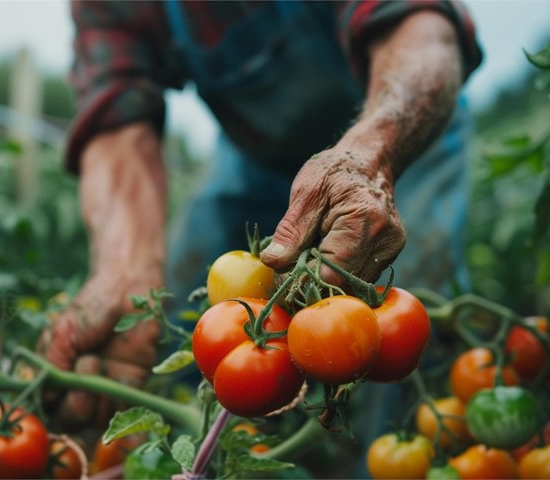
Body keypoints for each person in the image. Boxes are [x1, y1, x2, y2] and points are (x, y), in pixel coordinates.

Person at [38, 0, 482, 474]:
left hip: (403, 128)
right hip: (256, 157)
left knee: (407, 324)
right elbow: (117, 120)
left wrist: (370, 160)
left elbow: (421, 26)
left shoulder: (391, 138)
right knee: (176, 313)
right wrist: (124, 272)